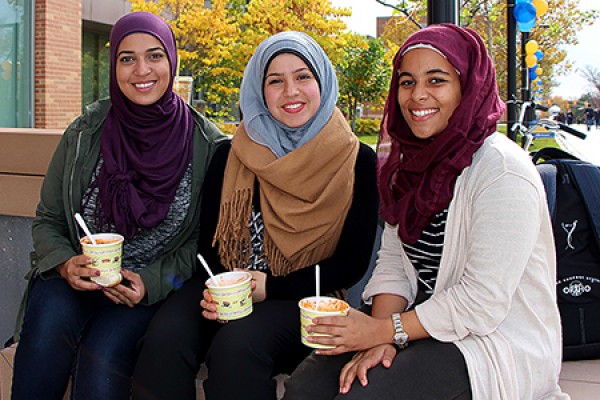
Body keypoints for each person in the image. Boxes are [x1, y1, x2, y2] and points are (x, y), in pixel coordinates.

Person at [283, 24, 568, 400]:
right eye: (406, 82)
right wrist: (381, 337)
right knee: (307, 386)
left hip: (490, 341)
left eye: (437, 80)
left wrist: (386, 332)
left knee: (365, 395)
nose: (418, 96)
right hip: (417, 323)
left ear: (468, 88)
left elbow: (481, 302)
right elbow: (394, 264)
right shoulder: (408, 165)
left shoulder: (502, 170)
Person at [131, 31, 379, 400]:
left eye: (303, 76)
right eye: (275, 81)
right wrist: (218, 289)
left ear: (322, 82)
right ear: (259, 91)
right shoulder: (230, 155)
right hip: (228, 286)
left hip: (305, 298)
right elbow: (207, 246)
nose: (290, 91)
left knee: (238, 343)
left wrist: (272, 288)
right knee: (165, 336)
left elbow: (352, 263)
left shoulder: (357, 160)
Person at [10, 12, 228, 399]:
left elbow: (201, 243)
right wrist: (64, 262)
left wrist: (151, 283)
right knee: (47, 329)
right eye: (127, 58)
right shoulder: (85, 132)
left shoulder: (207, 147)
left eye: (154, 56)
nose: (141, 70)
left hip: (144, 290)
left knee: (102, 357)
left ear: (172, 61)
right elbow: (47, 221)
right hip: (75, 279)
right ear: (114, 67)